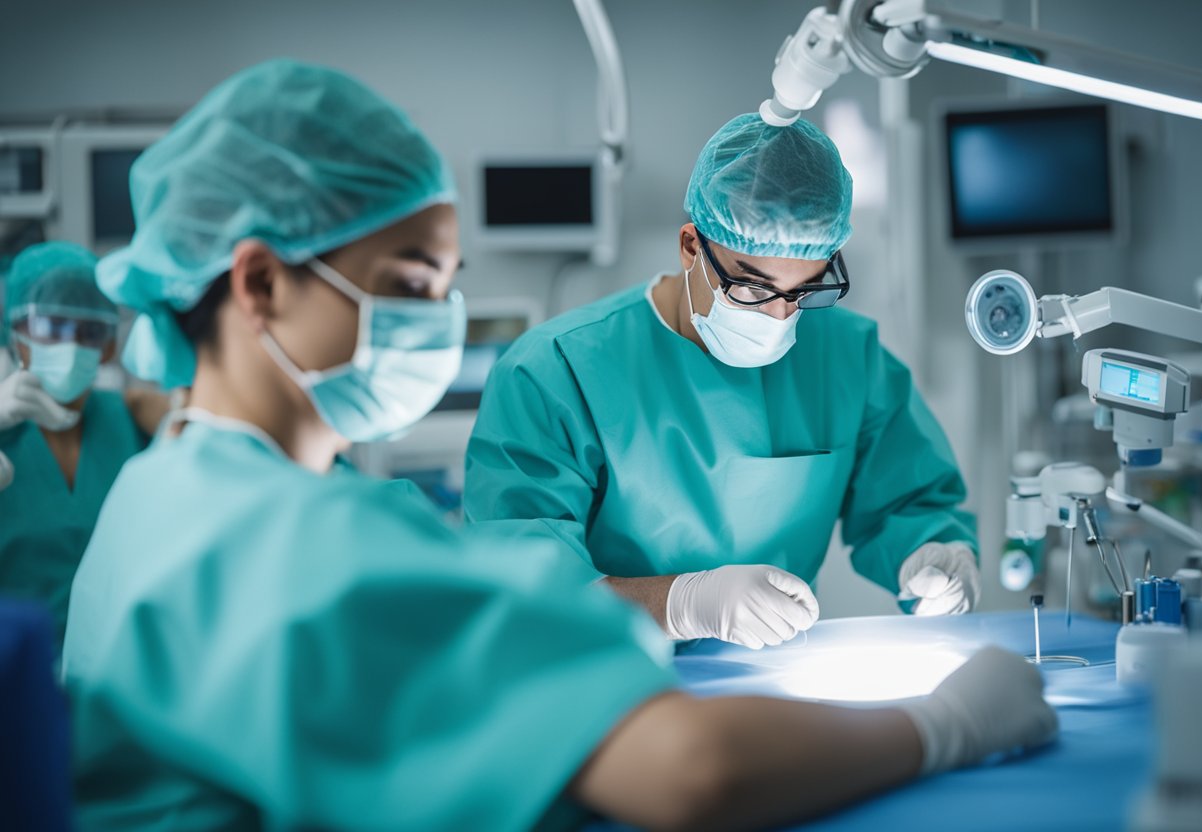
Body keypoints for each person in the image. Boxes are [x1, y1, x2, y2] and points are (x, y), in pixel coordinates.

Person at [62, 60, 1056, 831]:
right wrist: (945, 724)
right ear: (258, 283)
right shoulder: (280, 540)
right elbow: (688, 771)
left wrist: (931, 549)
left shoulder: (166, 490)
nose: (438, 323)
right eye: (410, 285)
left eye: (444, 287)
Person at [464, 114, 981, 649]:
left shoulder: (847, 355)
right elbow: (524, 587)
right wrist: (683, 605)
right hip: (605, 688)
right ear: (691, 246)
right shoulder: (554, 371)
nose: (780, 317)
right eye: (752, 288)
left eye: (804, 291)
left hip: (774, 682)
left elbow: (910, 501)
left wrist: (935, 556)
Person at [0, 242, 151, 647]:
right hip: (15, 675)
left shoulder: (131, 418)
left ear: (109, 346)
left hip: (113, 674)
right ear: (14, 333)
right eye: (50, 327)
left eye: (91, 331)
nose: (71, 345)